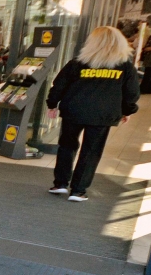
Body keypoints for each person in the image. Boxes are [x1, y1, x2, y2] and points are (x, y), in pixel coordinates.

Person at [45, 26, 140, 202]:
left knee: (67, 146)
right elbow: (131, 93)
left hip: (73, 110)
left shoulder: (78, 63)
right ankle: (78, 191)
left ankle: (60, 184)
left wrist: (52, 104)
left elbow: (59, 84)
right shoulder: (125, 67)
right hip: (102, 115)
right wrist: (128, 111)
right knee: (91, 151)